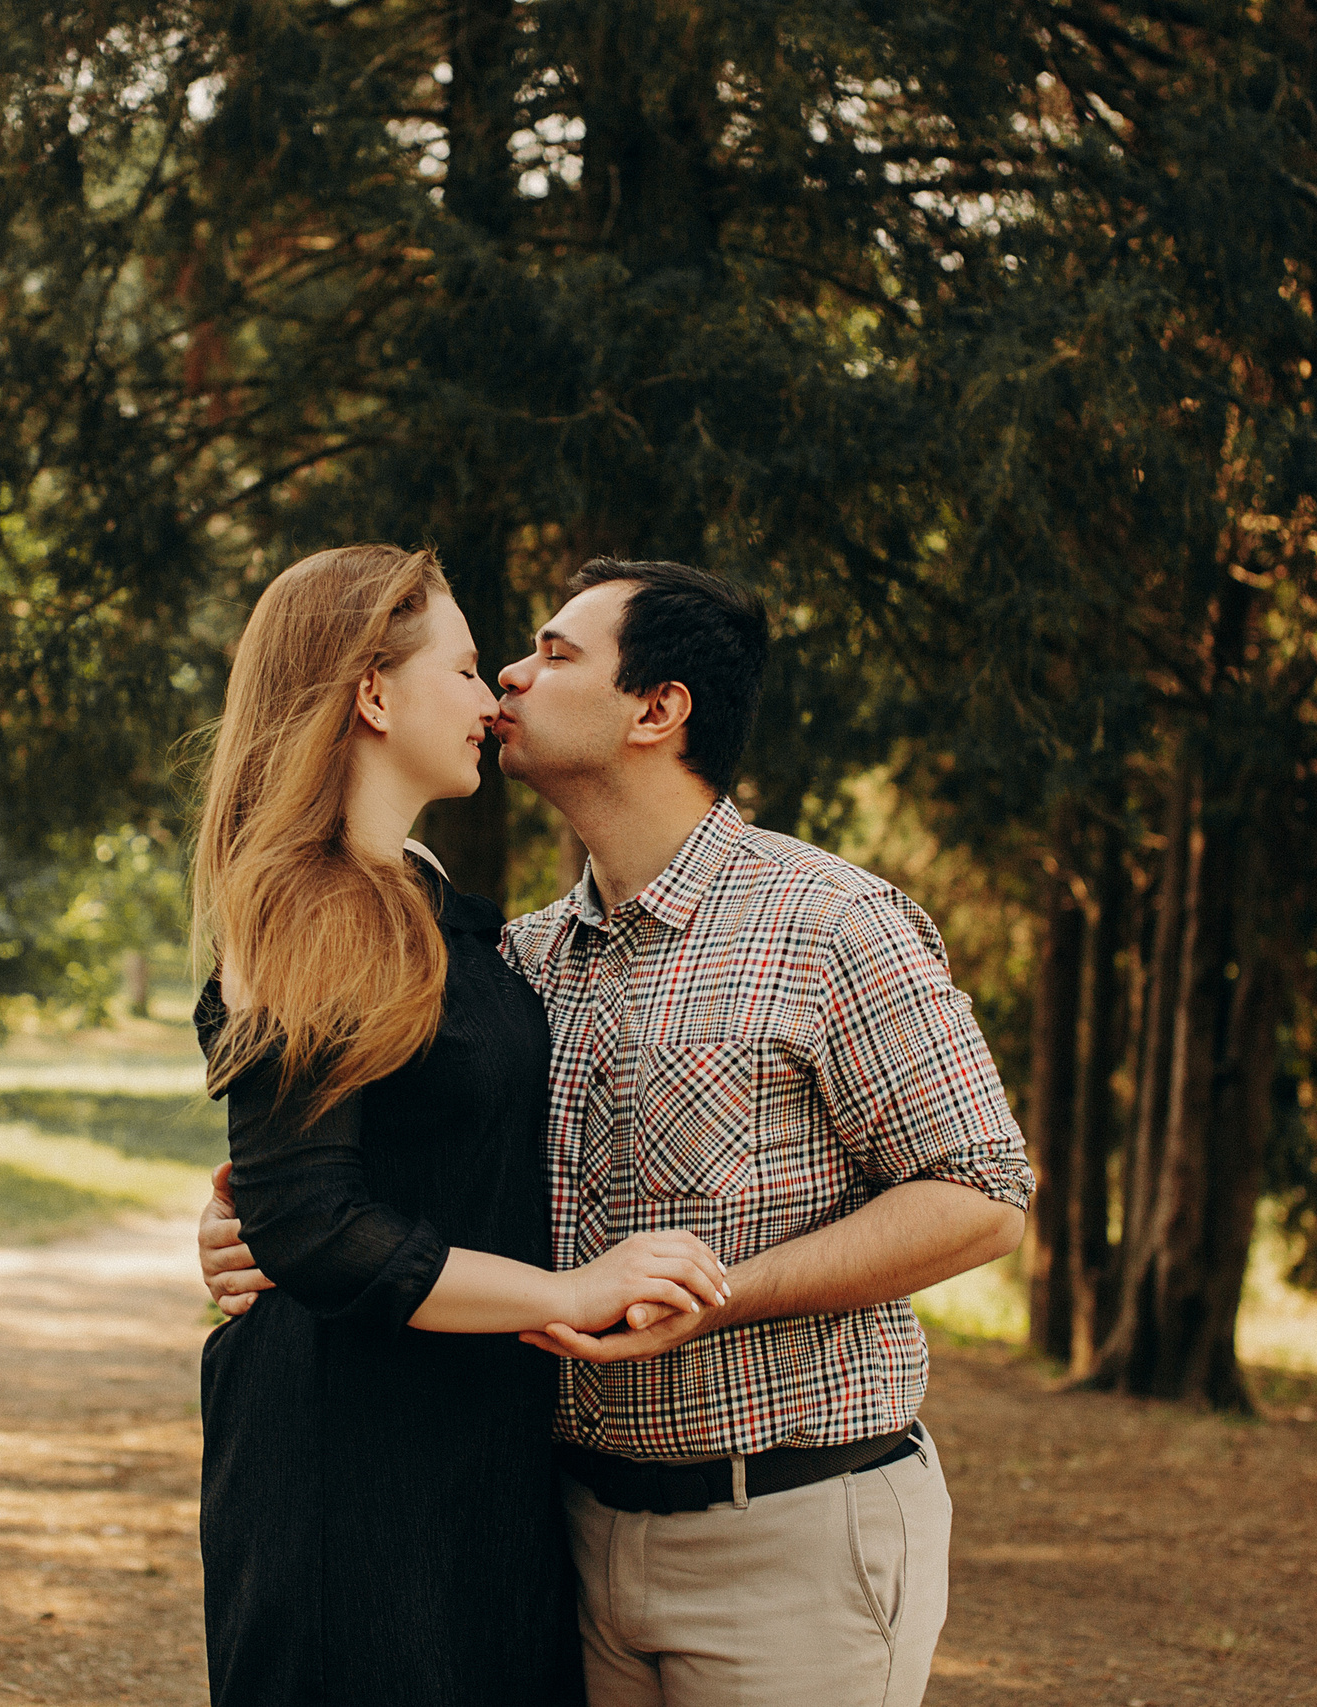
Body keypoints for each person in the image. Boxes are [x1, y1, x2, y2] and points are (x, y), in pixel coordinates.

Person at [203, 558, 1034, 1706]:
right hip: (561, 1527)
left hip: (786, 1525)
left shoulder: (830, 923)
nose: (507, 672)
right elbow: (382, 1152)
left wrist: (713, 1292)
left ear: (657, 708)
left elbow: (986, 1192)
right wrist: (266, 1218)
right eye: (495, 654)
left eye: (553, 652)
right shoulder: (526, 957)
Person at [188, 544, 733, 1707]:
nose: (494, 701)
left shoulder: (421, 886)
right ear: (373, 693)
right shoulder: (301, 896)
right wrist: (568, 1292)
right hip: (351, 1456)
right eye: (470, 668)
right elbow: (313, 1223)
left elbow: (360, 1157)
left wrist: (258, 1209)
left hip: (471, 1444)